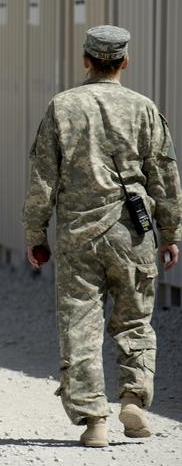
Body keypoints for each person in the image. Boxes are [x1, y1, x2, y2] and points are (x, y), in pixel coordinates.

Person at [23, 25, 182, 448]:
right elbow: (164, 175)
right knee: (135, 320)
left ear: (86, 60)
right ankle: (133, 399)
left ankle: (94, 419)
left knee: (79, 324)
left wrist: (36, 233)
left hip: (79, 235)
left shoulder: (63, 108)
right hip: (134, 234)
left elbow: (43, 179)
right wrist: (171, 233)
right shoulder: (144, 109)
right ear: (125, 62)